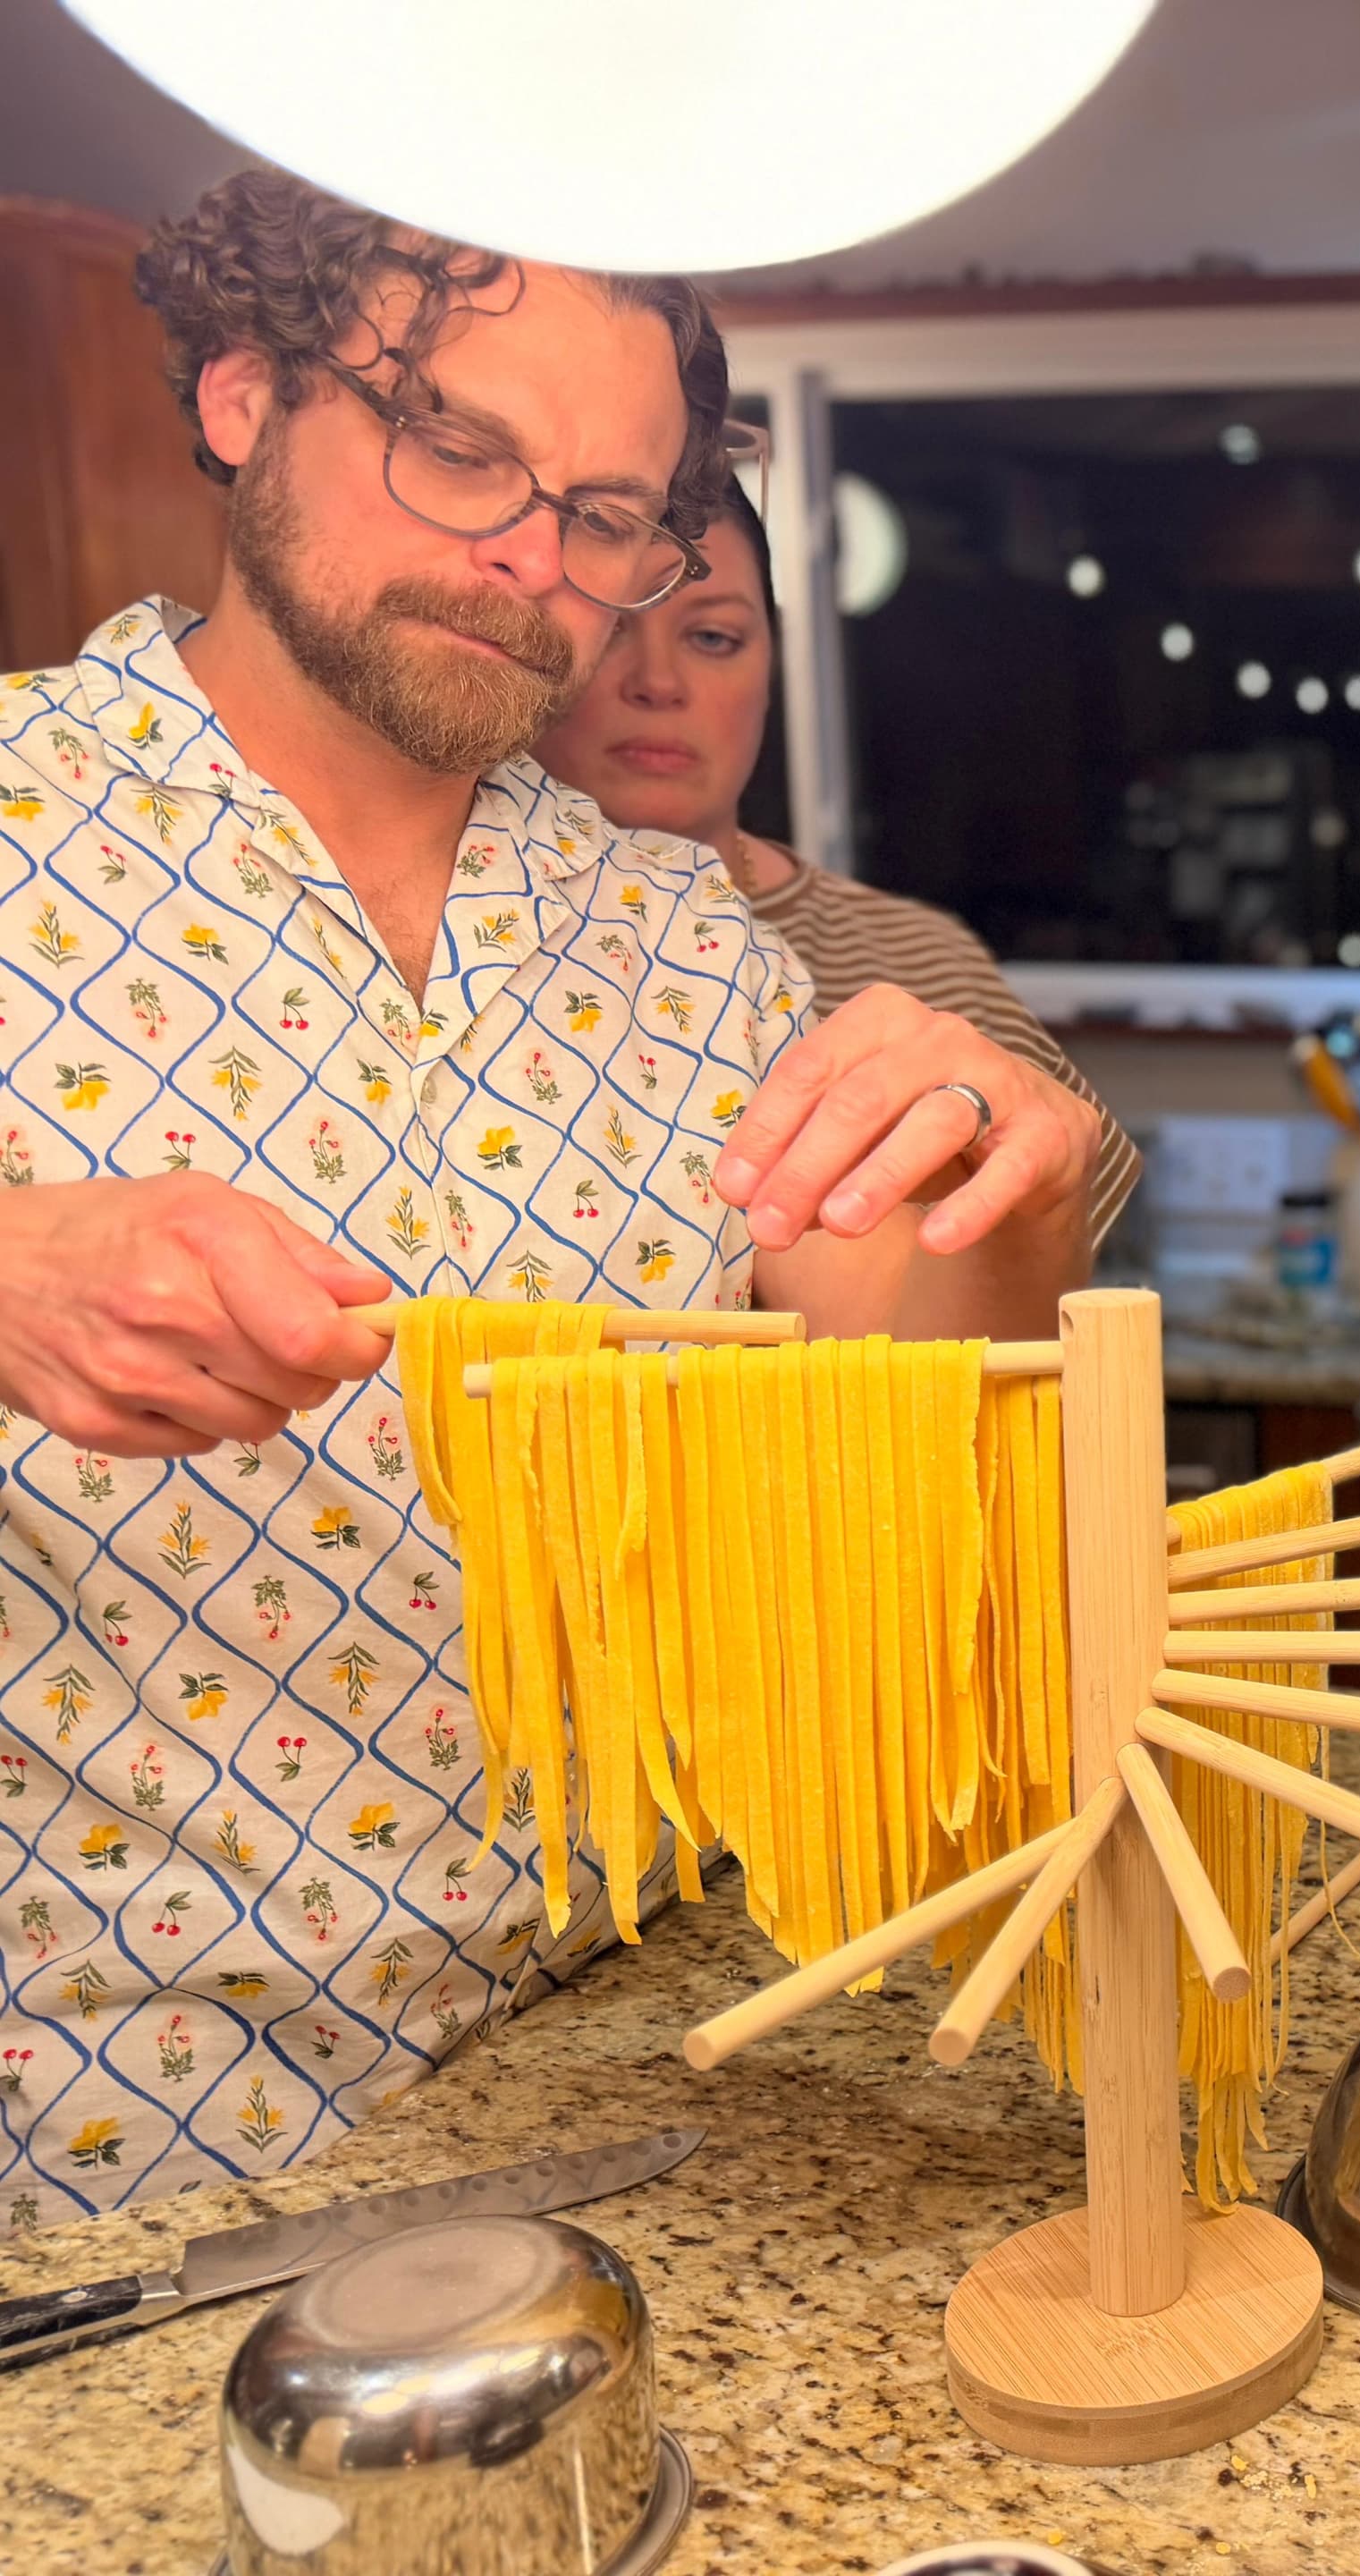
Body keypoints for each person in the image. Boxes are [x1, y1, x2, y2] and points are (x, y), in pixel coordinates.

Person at [0, 173, 1104, 2230]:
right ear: (242, 392)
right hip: (121, 2159)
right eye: (456, 445)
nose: (533, 559)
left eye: (608, 511)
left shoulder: (689, 942)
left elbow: (919, 1422)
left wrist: (1009, 1199)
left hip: (649, 2105)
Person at [535, 481, 1140, 1246]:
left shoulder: (915, 959)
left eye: (713, 637)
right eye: (611, 624)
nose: (658, 682)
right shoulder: (448, 935)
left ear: (771, 671)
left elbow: (1062, 1256)